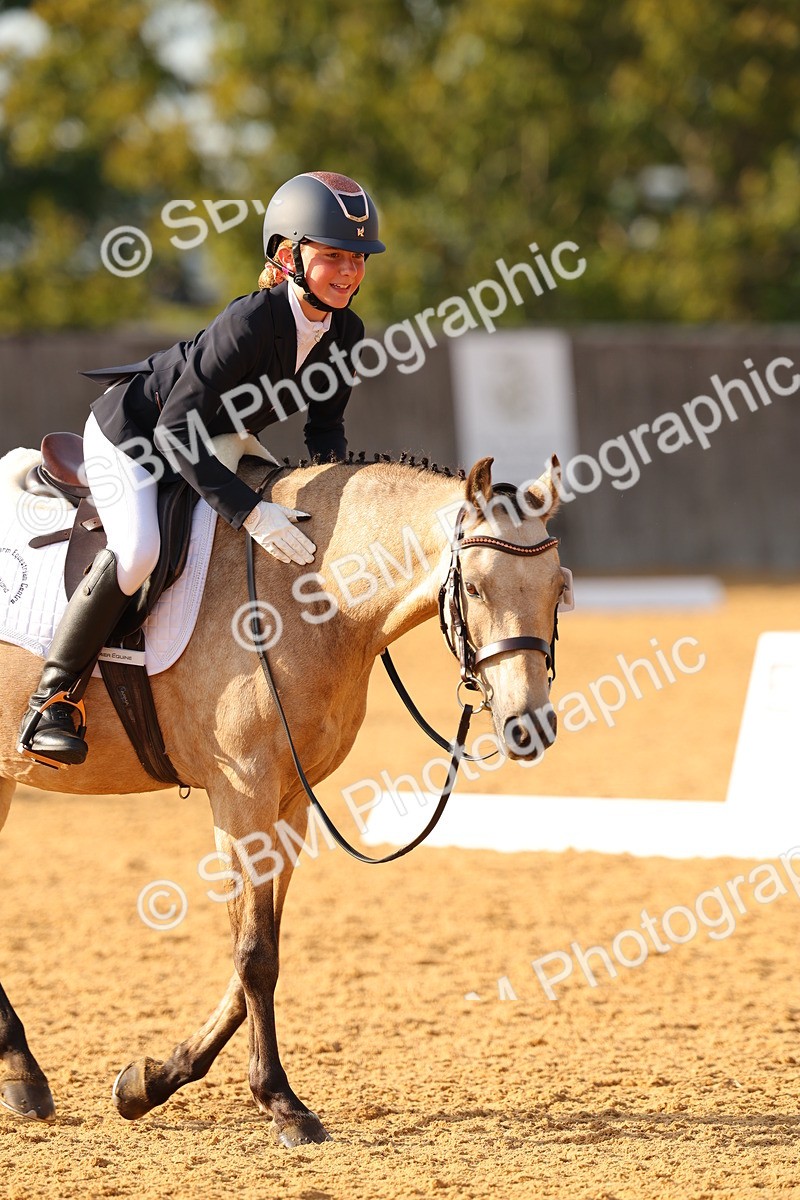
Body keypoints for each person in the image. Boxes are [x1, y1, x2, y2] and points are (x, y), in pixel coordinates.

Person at [18, 170, 385, 769]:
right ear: (288, 256)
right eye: (335, 255)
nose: (350, 271)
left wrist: (343, 501)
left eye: (359, 258)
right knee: (139, 552)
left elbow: (324, 431)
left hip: (215, 438)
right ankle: (52, 699)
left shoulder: (345, 332)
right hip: (135, 436)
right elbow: (173, 430)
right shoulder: (248, 324)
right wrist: (248, 510)